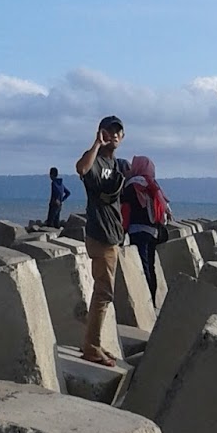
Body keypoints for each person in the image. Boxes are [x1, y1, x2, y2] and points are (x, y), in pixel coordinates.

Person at [76, 115, 128, 366]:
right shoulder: (95, 159)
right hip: (100, 234)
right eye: (109, 130)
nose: (114, 134)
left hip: (112, 235)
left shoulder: (117, 164)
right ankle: (92, 347)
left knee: (103, 293)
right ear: (101, 132)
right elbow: (81, 169)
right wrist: (96, 144)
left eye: (118, 131)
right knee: (104, 293)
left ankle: (93, 342)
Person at [121, 155, 171, 306]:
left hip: (137, 230)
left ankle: (146, 301)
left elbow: (125, 209)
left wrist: (122, 231)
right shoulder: (153, 185)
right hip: (153, 231)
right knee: (151, 265)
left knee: (142, 266)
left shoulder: (132, 185)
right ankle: (153, 301)